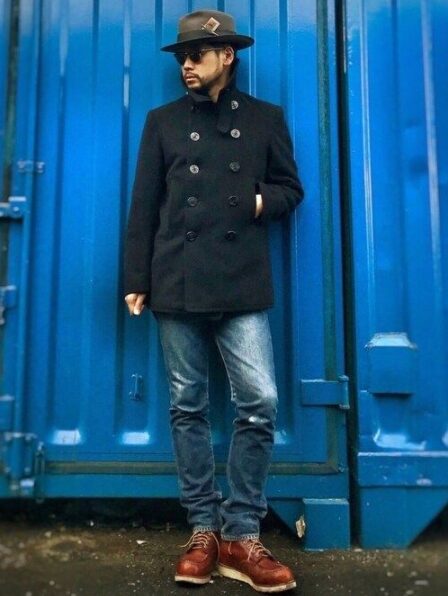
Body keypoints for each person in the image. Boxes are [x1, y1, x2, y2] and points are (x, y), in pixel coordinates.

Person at [123, 9, 304, 593]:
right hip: (176, 279)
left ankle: (242, 533)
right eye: (181, 57)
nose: (186, 65)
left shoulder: (266, 119)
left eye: (196, 55)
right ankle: (203, 531)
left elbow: (290, 189)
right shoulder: (163, 122)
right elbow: (143, 206)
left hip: (241, 280)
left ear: (226, 55)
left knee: (260, 401)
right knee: (188, 405)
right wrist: (136, 278)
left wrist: (253, 203)